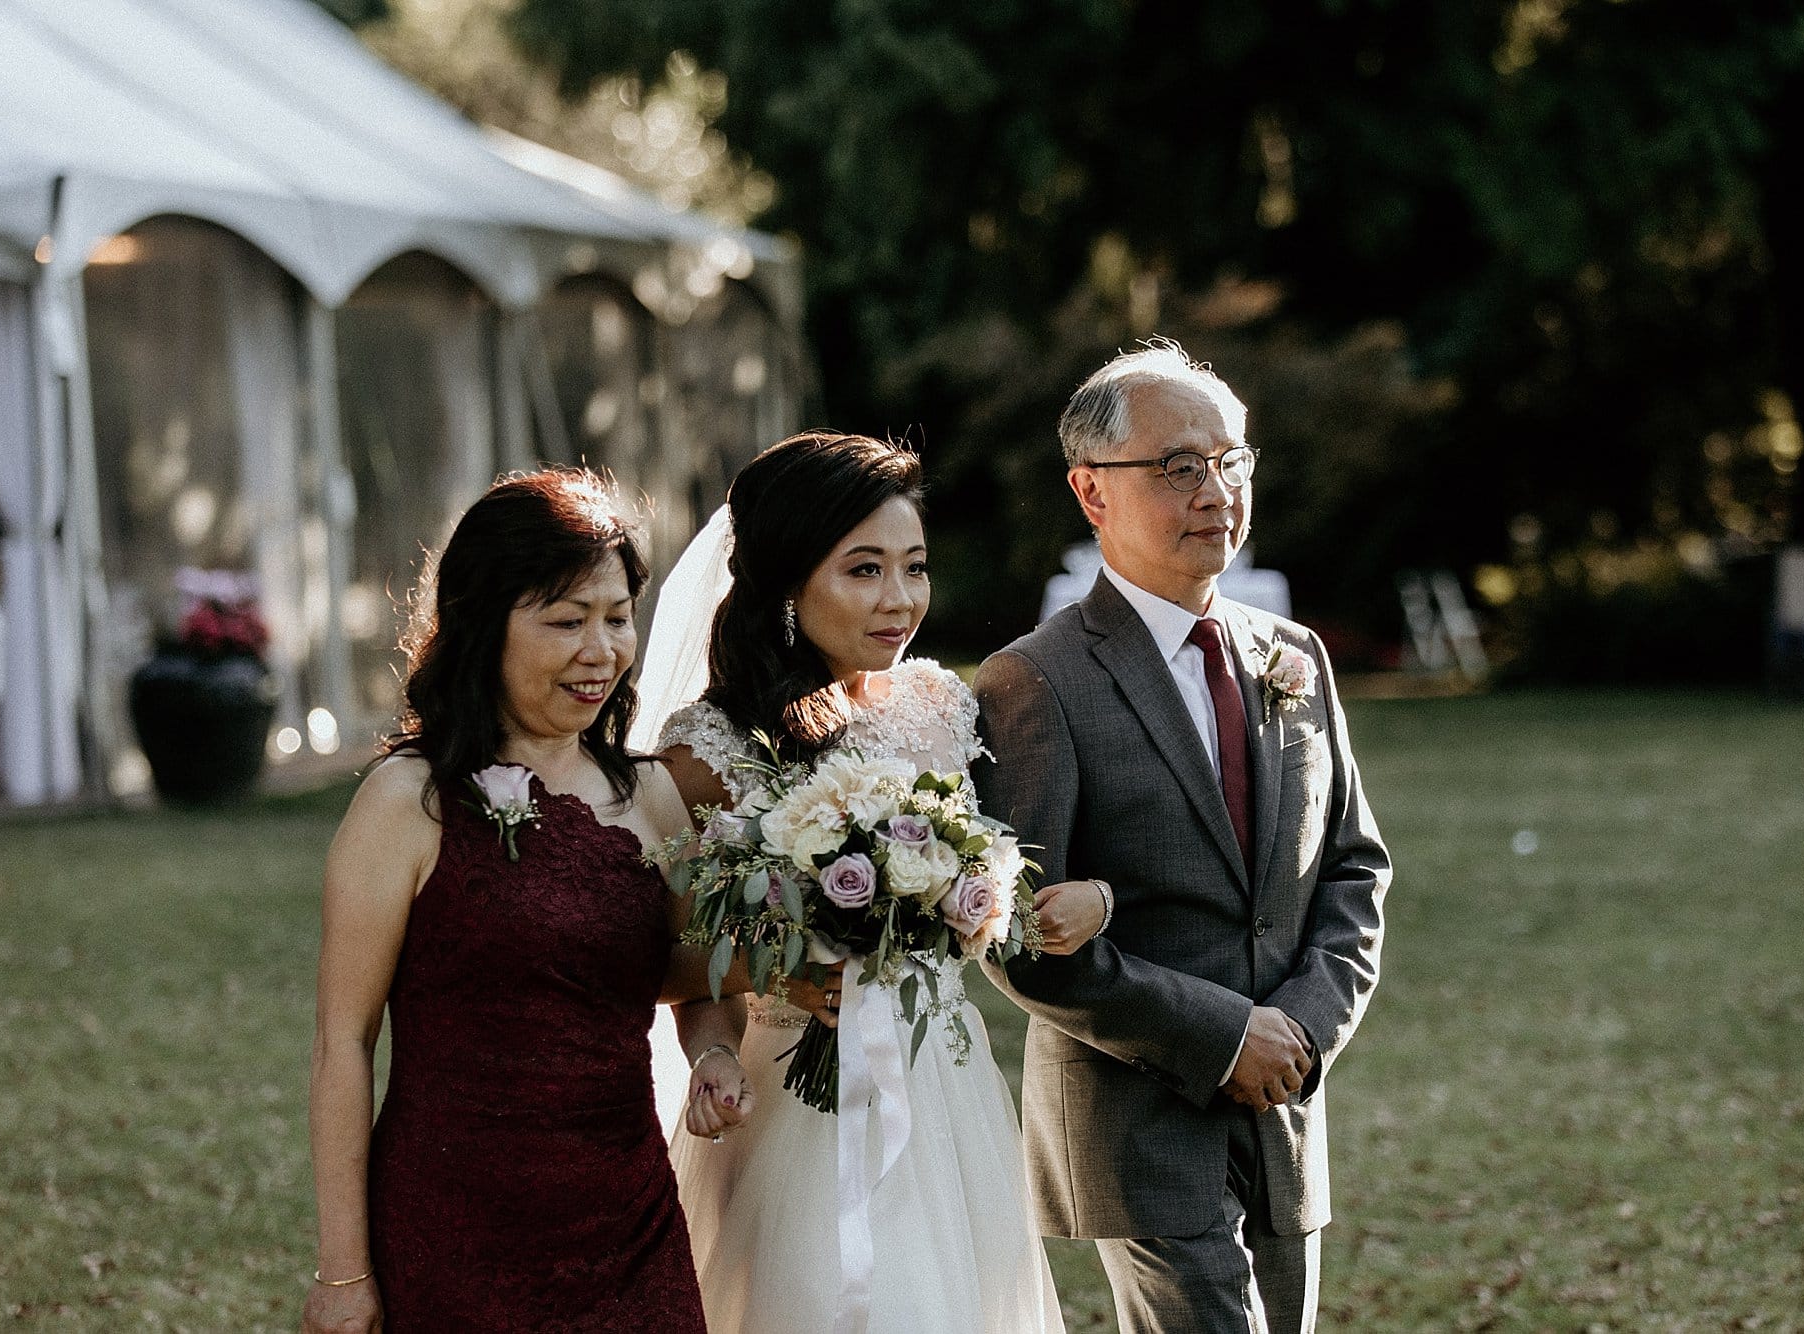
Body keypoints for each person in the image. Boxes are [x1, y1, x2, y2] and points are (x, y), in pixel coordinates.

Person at [638, 431, 1105, 1334]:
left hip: (946, 1089)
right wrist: (717, 1048)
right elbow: (679, 964)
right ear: (787, 579)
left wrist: (1022, 900)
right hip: (797, 1105)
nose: (900, 600)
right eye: (864, 570)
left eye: (914, 567)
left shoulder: (940, 706)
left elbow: (1022, 871)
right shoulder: (709, 752)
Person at [975, 341, 1393, 1334]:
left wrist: (1301, 1031)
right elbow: (1017, 936)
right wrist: (1222, 1036)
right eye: (1176, 467)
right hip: (1139, 1122)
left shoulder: (1293, 655)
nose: (1215, 491)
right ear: (1091, 491)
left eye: (1229, 461)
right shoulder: (1034, 679)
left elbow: (1352, 866)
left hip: (1283, 1105)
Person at [300, 470, 737, 1333]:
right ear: (482, 622)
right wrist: (344, 1273)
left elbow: (697, 979)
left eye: (618, 618)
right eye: (567, 621)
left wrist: (716, 1051)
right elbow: (343, 1042)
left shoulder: (652, 795)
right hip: (452, 1228)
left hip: (629, 1224)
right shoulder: (407, 801)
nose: (601, 650)